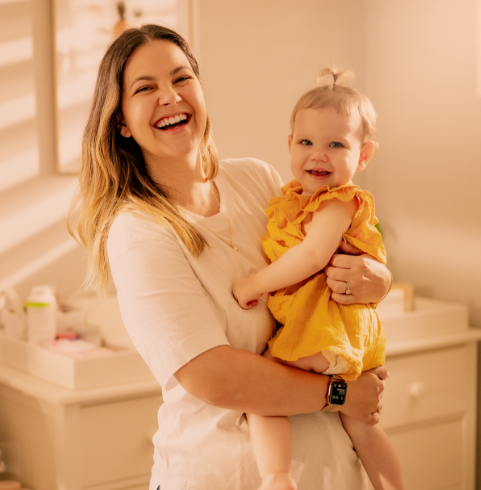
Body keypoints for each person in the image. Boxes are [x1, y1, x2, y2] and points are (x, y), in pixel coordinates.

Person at [68, 24, 392, 490]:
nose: (170, 96)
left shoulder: (258, 182)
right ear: (120, 121)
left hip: (330, 471)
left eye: (182, 79)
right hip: (223, 476)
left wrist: (376, 277)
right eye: (146, 88)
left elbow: (332, 251)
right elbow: (214, 376)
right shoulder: (139, 231)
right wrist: (340, 393)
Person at [232, 68, 403, 490]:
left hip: (324, 332)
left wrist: (253, 285)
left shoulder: (339, 202)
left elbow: (311, 256)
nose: (318, 155)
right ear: (289, 145)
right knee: (361, 428)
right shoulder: (292, 198)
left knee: (264, 392)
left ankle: (277, 476)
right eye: (306, 142)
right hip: (346, 337)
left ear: (363, 156)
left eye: (336, 145)